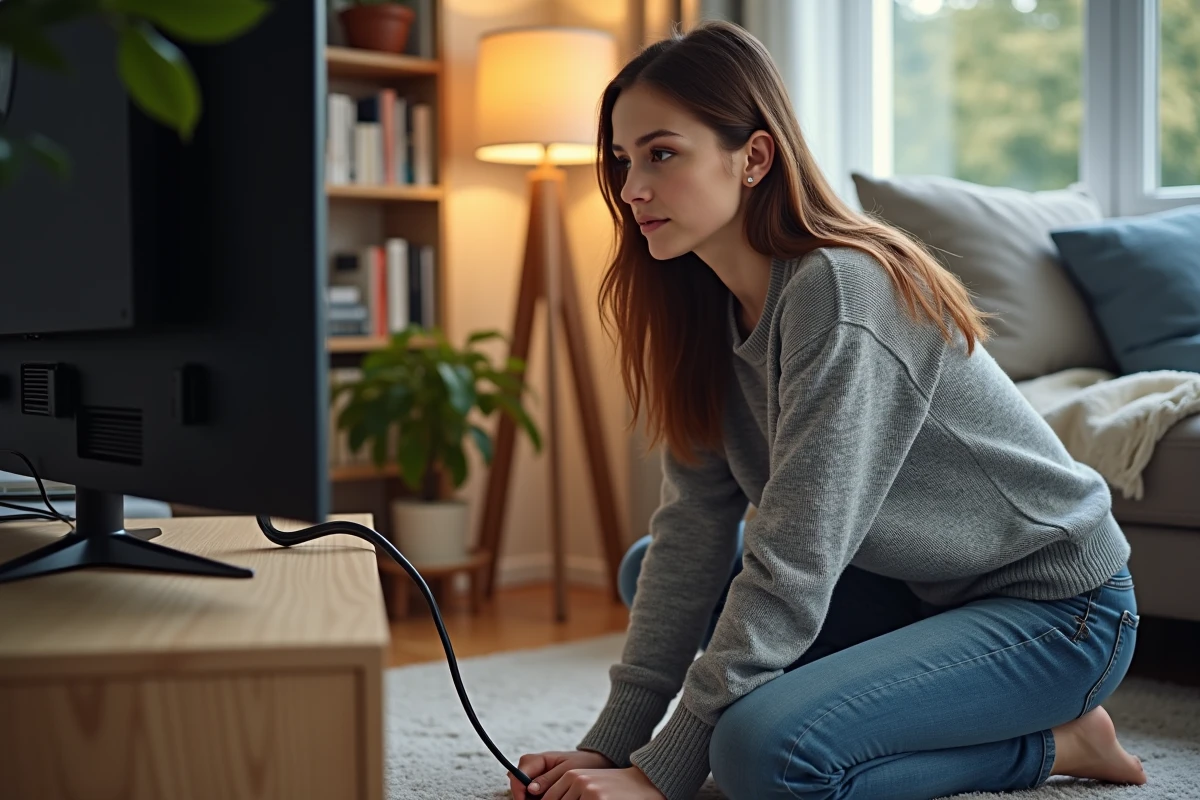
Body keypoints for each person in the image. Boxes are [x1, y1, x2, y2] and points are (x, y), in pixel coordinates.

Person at [507, 19, 1145, 800]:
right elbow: (694, 527)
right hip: (909, 592)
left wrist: (663, 773)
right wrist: (612, 745)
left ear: (754, 157)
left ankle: (1058, 744)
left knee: (758, 756)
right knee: (655, 568)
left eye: (661, 153)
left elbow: (798, 554)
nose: (632, 188)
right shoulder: (702, 311)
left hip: (1057, 612)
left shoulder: (840, 289)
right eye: (623, 160)